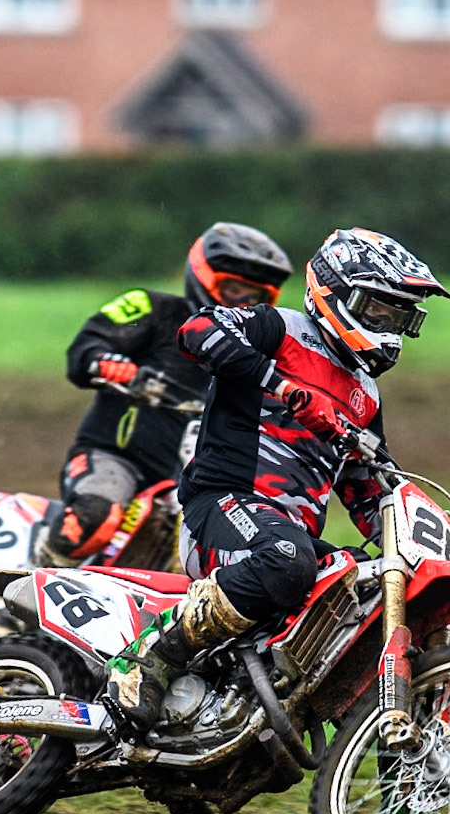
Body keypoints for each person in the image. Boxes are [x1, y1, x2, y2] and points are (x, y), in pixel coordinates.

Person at [105, 228, 449, 731]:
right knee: (287, 558)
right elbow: (197, 329)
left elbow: (367, 488)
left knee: (366, 582)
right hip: (223, 505)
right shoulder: (278, 328)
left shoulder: (365, 395)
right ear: (334, 292)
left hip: (290, 535)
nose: (386, 325)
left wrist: (421, 550)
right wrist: (281, 385)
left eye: (397, 316)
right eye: (376, 309)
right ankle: (149, 658)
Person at [36, 223, 293, 567]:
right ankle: (10, 600)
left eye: (255, 297)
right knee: (95, 517)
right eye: (234, 290)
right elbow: (86, 347)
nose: (243, 303)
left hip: (196, 477)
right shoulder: (151, 307)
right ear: (204, 276)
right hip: (115, 459)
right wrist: (110, 363)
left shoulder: (259, 352)